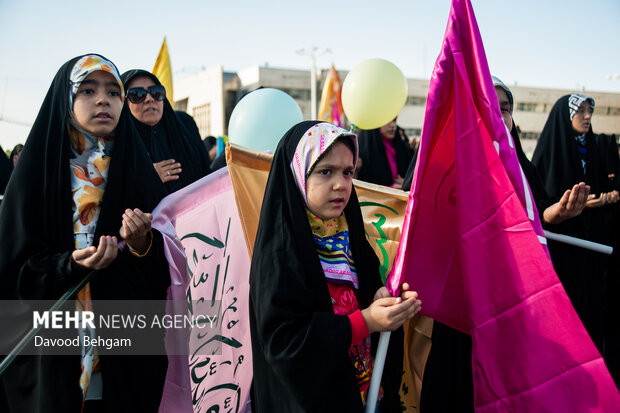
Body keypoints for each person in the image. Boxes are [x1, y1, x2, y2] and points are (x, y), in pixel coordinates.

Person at [0, 54, 171, 412]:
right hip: (53, 353)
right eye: (88, 89)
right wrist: (67, 266)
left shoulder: (136, 171)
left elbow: (165, 270)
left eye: (113, 92)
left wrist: (141, 243)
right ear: (66, 99)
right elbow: (13, 269)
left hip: (124, 351)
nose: (103, 100)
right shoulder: (36, 177)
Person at [249, 121, 422, 412]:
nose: (341, 184)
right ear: (297, 175)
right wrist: (366, 321)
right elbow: (285, 344)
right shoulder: (279, 253)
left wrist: (379, 300)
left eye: (347, 172)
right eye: (325, 171)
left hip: (366, 393)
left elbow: (361, 297)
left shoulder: (350, 232)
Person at [532, 94, 619, 355]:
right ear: (566, 115)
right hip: (561, 250)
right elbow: (540, 201)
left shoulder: (592, 149)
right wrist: (566, 209)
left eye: (589, 110)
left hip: (590, 249)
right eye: (580, 111)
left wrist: (603, 200)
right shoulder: (551, 150)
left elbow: (601, 186)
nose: (587, 116)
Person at [121, 69, 210, 193]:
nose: (149, 99)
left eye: (156, 92)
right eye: (137, 94)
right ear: (123, 102)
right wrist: (146, 178)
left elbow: (208, 175)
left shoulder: (184, 125)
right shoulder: (117, 144)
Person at [357, 117, 413, 188]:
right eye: (387, 121)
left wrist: (407, 184)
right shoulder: (367, 151)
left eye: (394, 120)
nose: (393, 125)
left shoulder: (402, 148)